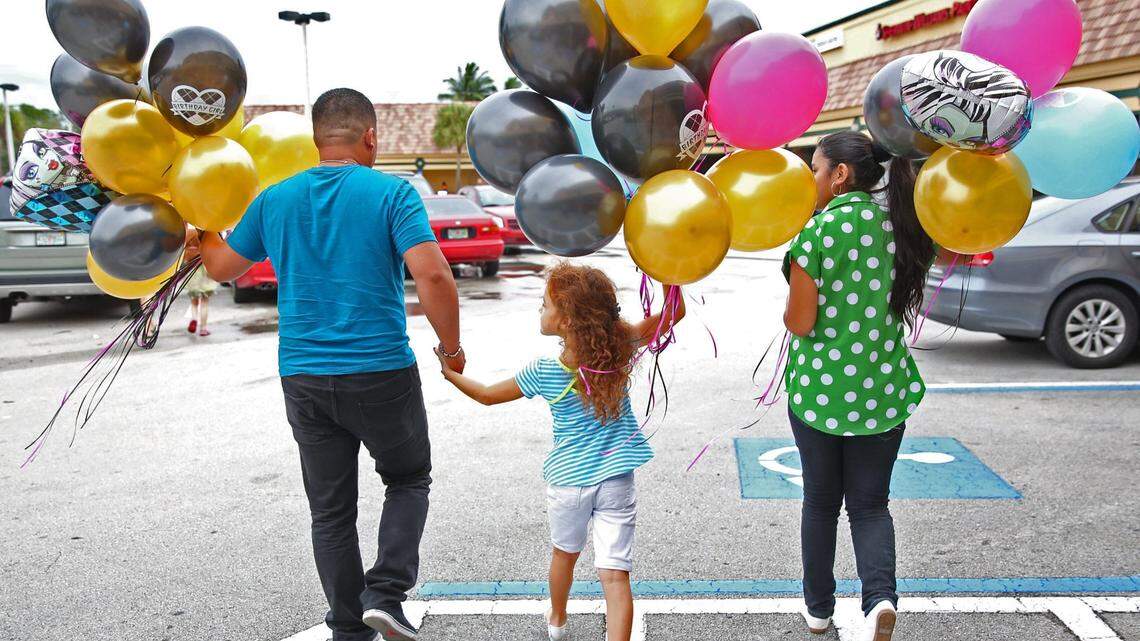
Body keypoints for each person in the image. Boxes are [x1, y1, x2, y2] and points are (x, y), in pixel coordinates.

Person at [194, 88, 464, 641]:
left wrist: (199, 224)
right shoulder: (392, 194)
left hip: (305, 377)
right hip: (381, 370)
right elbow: (433, 276)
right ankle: (386, 594)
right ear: (370, 137)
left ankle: (347, 626)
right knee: (408, 478)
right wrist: (452, 350)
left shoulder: (275, 199)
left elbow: (220, 267)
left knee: (331, 510)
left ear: (316, 141)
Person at [433, 262, 684, 641]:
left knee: (564, 555)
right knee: (616, 575)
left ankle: (558, 619)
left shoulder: (545, 371)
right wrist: (665, 262)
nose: (541, 310)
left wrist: (450, 373)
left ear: (566, 320)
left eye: (545, 304)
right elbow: (675, 311)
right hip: (616, 478)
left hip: (569, 484)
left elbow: (486, 395)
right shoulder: (620, 347)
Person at [782, 131, 941, 641]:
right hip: (882, 392)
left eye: (815, 168)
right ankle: (879, 601)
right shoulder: (902, 225)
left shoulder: (817, 234)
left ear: (840, 175)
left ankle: (819, 610)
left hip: (821, 395)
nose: (812, 178)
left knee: (821, 504)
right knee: (871, 506)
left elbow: (801, 322)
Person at [185, 265, 217, 337]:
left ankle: (194, 319)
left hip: (194, 278)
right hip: (205, 278)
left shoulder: (191, 253)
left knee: (194, 303)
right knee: (204, 304)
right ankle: (203, 329)